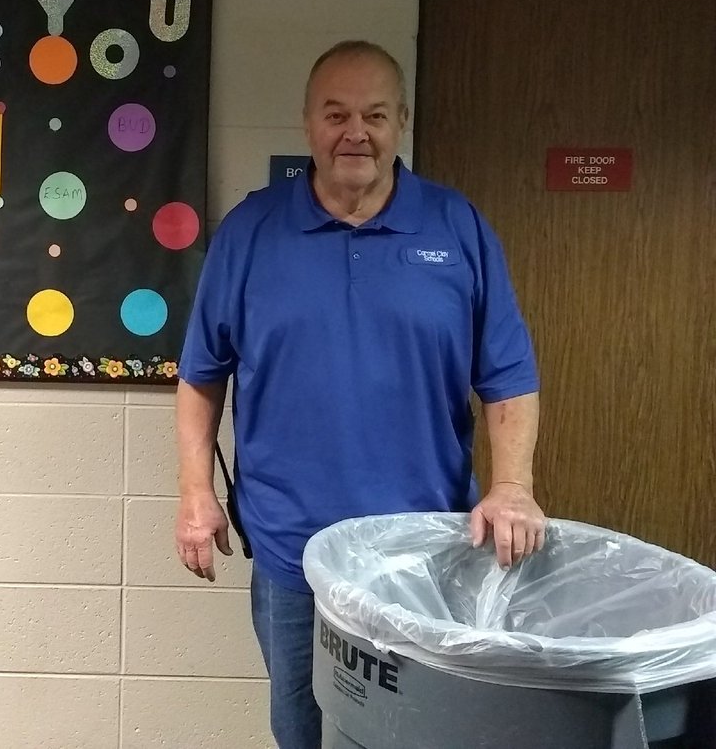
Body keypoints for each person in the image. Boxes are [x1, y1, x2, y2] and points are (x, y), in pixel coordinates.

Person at [174, 40, 546, 749]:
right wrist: (196, 492)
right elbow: (201, 376)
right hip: (293, 550)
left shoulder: (457, 227)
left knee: (418, 733)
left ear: (401, 120)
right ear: (308, 122)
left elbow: (508, 377)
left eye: (375, 115)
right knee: (302, 728)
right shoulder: (251, 232)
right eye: (336, 114)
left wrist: (513, 488)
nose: (356, 133)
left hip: (426, 550)